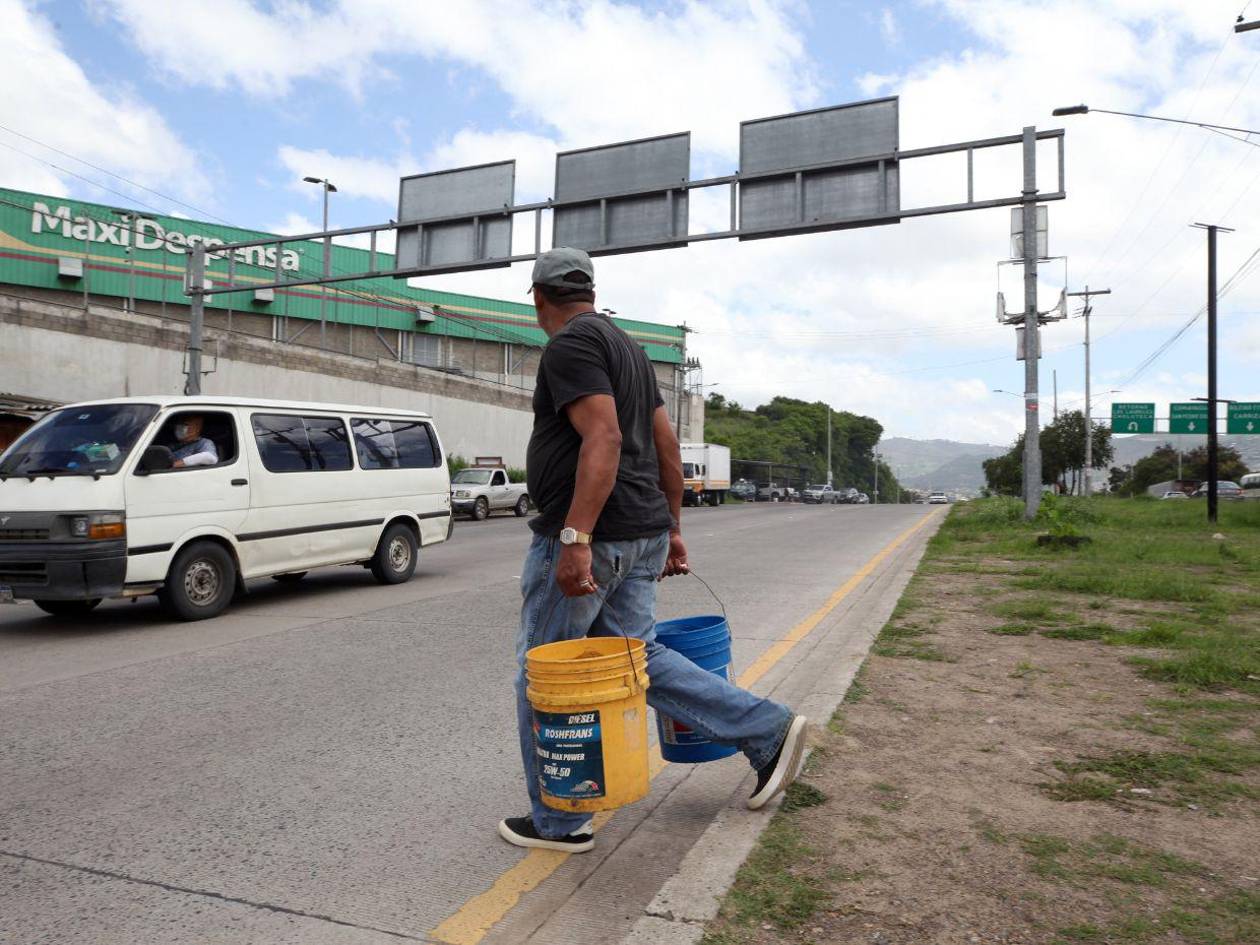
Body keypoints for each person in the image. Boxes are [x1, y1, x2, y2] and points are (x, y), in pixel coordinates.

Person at [499, 247, 807, 854]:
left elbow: (606, 436)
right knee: (636, 660)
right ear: (589, 289)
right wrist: (672, 527)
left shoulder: (570, 346)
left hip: (599, 536)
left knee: (545, 674)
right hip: (639, 533)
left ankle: (560, 821)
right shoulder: (630, 350)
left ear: (538, 299)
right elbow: (668, 443)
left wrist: (574, 537)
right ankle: (766, 728)